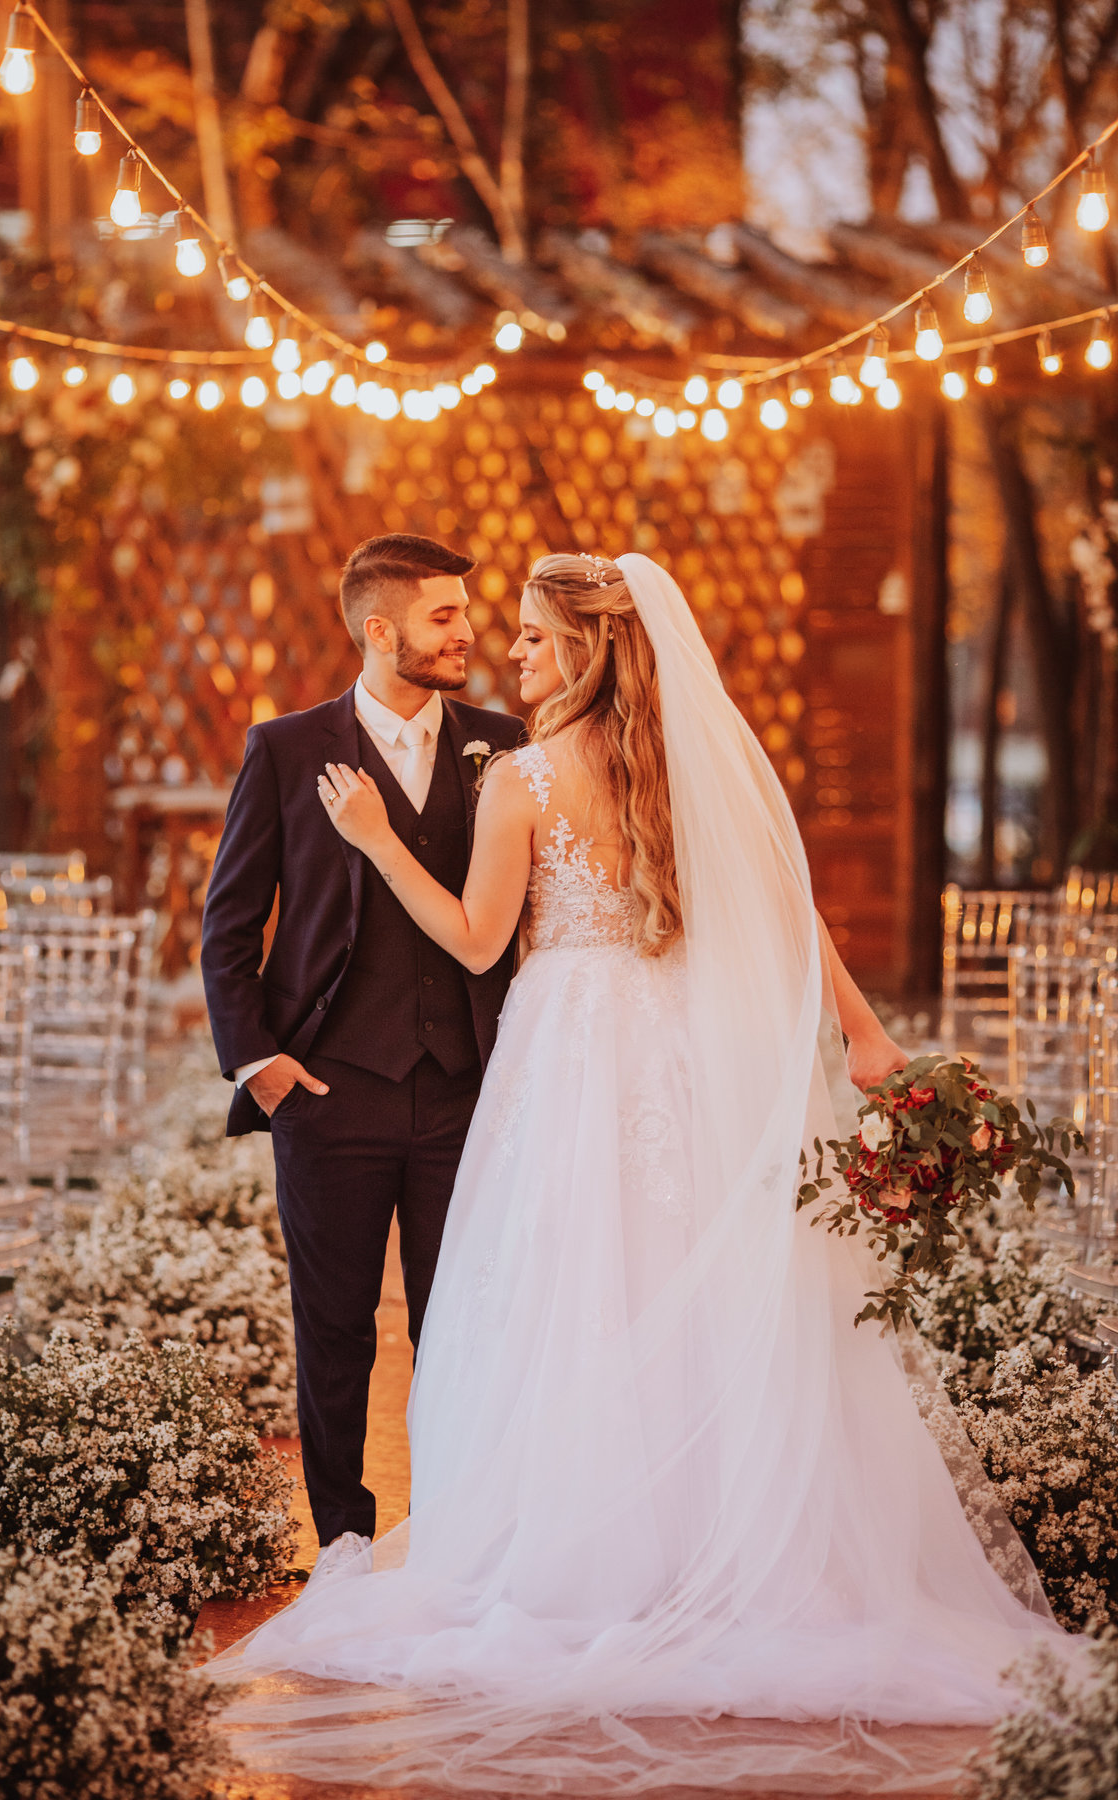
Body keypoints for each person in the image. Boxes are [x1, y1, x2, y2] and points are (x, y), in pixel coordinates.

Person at [211, 551, 1076, 1796]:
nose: (507, 651)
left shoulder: (518, 773)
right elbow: (792, 902)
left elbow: (470, 935)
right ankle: (713, 1544)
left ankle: (576, 1555)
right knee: (696, 1281)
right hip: (675, 1056)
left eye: (525, 636)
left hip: (562, 1059)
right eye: (486, 628)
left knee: (568, 1300)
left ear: (576, 652)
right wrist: (866, 1032)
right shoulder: (693, 765)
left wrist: (375, 839)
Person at [200, 534, 523, 1568]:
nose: (468, 631)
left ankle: (457, 1538)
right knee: (336, 1330)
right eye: (444, 616)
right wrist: (263, 1063)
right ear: (379, 631)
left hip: (467, 1092)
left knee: (461, 1330)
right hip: (330, 1093)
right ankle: (343, 1543)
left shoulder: (504, 744)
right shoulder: (288, 751)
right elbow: (230, 921)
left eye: (466, 612)